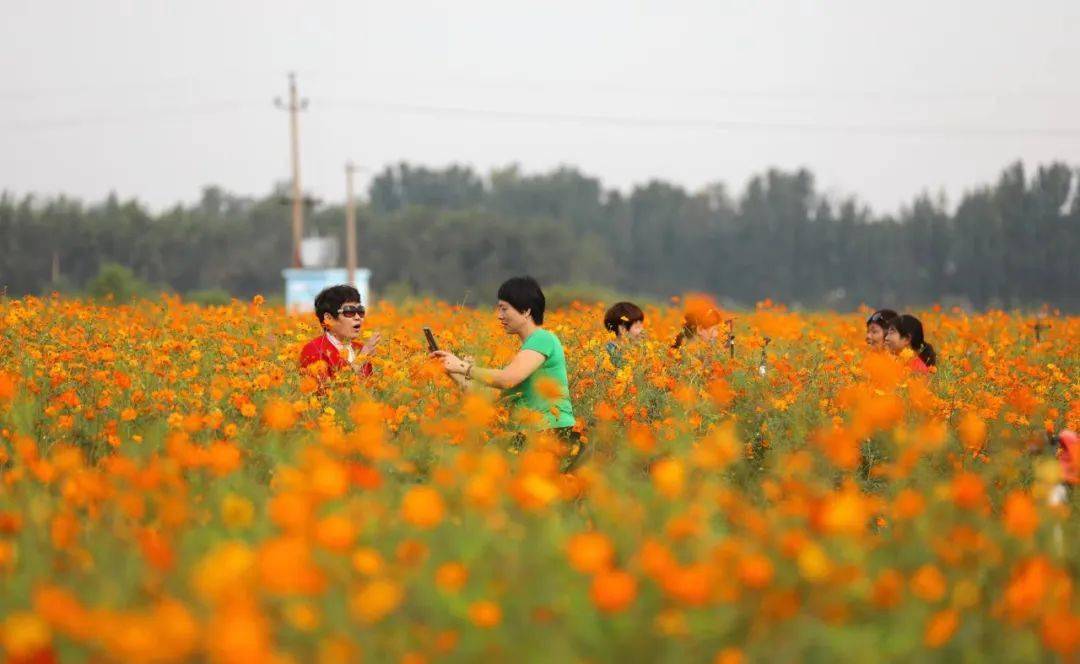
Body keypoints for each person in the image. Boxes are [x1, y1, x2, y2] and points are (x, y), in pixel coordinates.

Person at [432, 277, 582, 465]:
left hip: (552, 436)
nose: (499, 315)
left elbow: (508, 379)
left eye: (504, 308)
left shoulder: (543, 339)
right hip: (529, 437)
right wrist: (451, 370)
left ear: (526, 310)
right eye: (498, 309)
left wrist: (464, 367)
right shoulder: (526, 352)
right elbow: (489, 397)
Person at [299, 284, 381, 382]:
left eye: (360, 311)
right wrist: (360, 360)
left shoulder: (360, 349)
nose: (357, 317)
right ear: (328, 318)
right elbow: (324, 393)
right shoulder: (313, 350)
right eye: (349, 312)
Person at [603, 301, 645, 365]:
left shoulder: (634, 351)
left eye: (642, 326)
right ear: (622, 329)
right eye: (637, 327)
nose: (642, 331)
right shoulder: (609, 352)